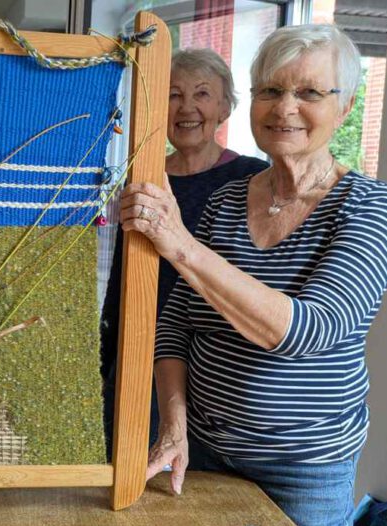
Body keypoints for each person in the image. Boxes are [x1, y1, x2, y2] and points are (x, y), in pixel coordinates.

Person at [125, 25, 387, 526]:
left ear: (346, 107)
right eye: (270, 91)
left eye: (309, 93)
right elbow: (174, 326)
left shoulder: (370, 207)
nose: (285, 108)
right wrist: (174, 426)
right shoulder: (226, 202)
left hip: (304, 473)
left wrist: (179, 244)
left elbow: (306, 330)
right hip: (201, 452)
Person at [100, 49, 268, 458]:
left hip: (216, 354)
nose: (187, 107)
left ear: (225, 107)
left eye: (203, 94)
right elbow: (120, 274)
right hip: (141, 344)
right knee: (133, 461)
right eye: (174, 94)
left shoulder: (253, 178)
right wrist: (108, 353)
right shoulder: (140, 176)